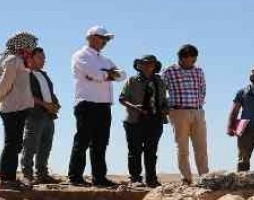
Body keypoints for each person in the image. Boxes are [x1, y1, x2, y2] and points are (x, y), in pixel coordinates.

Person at [67, 26, 127, 187]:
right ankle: (75, 176)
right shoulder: (80, 55)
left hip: (103, 105)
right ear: (92, 37)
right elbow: (93, 74)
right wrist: (107, 74)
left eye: (107, 39)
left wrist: (105, 75)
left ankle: (99, 177)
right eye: (103, 38)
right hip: (86, 103)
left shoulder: (105, 60)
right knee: (83, 140)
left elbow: (122, 75)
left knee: (101, 143)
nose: (105, 42)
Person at [0, 31, 38, 190]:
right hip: (11, 108)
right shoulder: (12, 60)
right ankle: (6, 179)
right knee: (12, 143)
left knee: (16, 144)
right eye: (30, 43)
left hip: (20, 108)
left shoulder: (22, 61)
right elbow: (4, 84)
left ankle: (10, 178)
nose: (32, 47)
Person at [162, 44, 209, 184]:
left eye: (194, 59)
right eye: (189, 59)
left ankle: (204, 177)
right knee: (182, 146)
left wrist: (198, 105)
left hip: (198, 111)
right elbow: (160, 90)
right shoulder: (169, 71)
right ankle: (186, 177)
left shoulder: (199, 71)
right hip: (178, 111)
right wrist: (168, 106)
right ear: (181, 58)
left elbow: (203, 89)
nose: (192, 62)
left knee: (201, 146)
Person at [119, 55, 169, 187]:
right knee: (134, 151)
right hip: (134, 121)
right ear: (139, 66)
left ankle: (151, 179)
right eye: (144, 64)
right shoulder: (132, 81)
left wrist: (165, 109)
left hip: (155, 120)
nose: (147, 66)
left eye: (150, 64)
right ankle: (135, 179)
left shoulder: (160, 81)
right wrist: (134, 107)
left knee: (151, 152)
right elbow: (122, 98)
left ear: (154, 66)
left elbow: (164, 100)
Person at [21, 47, 61, 184]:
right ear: (30, 59)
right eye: (40, 58)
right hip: (34, 115)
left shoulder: (44, 75)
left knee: (45, 146)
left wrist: (55, 104)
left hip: (49, 116)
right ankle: (27, 174)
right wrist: (45, 105)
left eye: (44, 58)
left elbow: (50, 92)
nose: (43, 60)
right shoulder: (25, 74)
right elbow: (27, 95)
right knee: (30, 145)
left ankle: (42, 174)